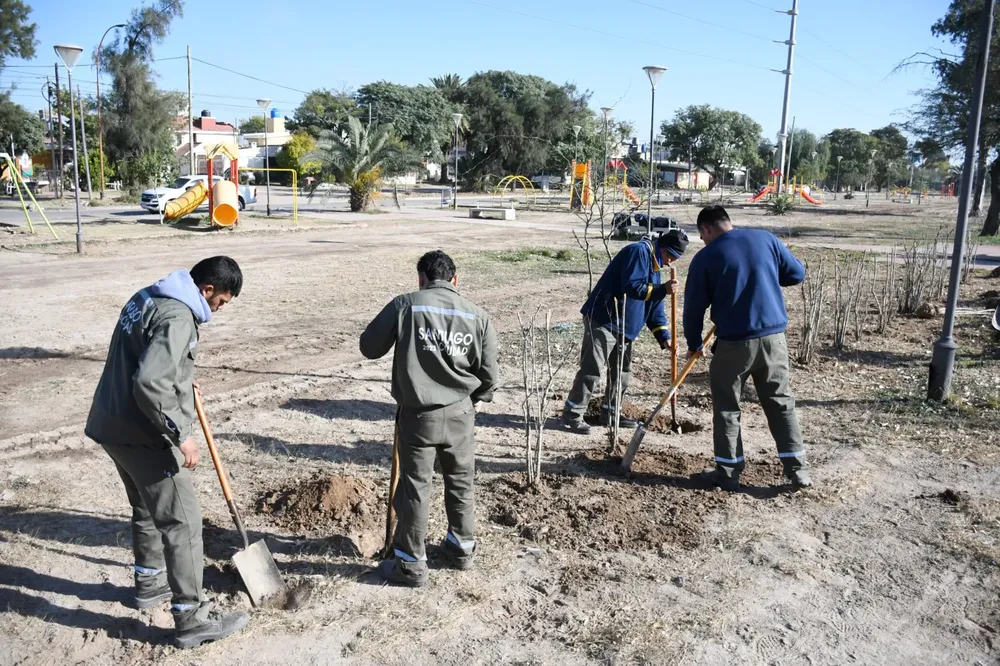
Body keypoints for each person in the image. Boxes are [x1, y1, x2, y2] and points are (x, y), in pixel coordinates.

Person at [85, 256, 249, 649]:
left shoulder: (149, 296)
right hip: (143, 434)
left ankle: (149, 582)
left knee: (145, 506)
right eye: (220, 302)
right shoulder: (179, 317)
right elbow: (149, 380)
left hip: (112, 424)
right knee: (184, 524)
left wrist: (182, 381)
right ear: (207, 289)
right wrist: (180, 434)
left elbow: (143, 359)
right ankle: (192, 618)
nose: (218, 310)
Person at [360, 250, 499, 587]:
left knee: (415, 489)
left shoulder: (405, 305)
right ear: (455, 280)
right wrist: (472, 402)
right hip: (461, 415)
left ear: (421, 278)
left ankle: (410, 565)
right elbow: (490, 376)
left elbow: (369, 347)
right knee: (461, 482)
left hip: (418, 416)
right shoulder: (478, 317)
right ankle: (461, 550)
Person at [683, 205, 811, 491]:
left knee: (728, 408)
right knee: (780, 403)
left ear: (705, 229)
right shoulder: (766, 239)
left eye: (702, 236)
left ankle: (728, 473)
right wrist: (763, 277)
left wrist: (693, 344)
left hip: (734, 345)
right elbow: (796, 274)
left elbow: (693, 308)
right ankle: (799, 471)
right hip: (774, 340)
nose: (703, 241)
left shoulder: (706, 257)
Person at [561, 229, 689, 434]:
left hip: (625, 329)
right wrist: (662, 289)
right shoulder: (638, 252)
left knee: (622, 374)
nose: (670, 263)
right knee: (591, 370)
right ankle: (572, 415)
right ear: (664, 250)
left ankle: (610, 413)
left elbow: (654, 307)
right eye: (671, 257)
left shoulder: (655, 267)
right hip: (605, 320)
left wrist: (664, 337)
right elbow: (631, 286)